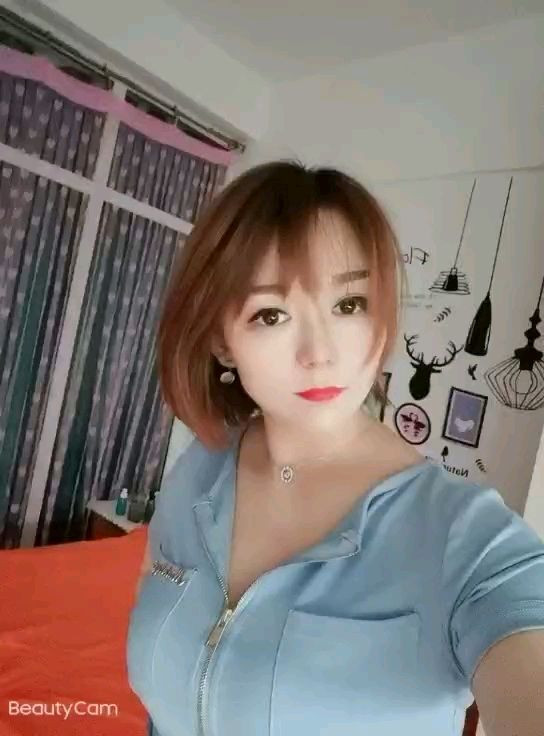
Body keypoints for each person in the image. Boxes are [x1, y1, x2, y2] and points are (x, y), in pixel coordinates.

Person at [127, 160, 544, 736]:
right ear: (222, 342)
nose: (319, 353)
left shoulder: (464, 536)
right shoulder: (200, 466)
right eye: (271, 314)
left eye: (349, 305)